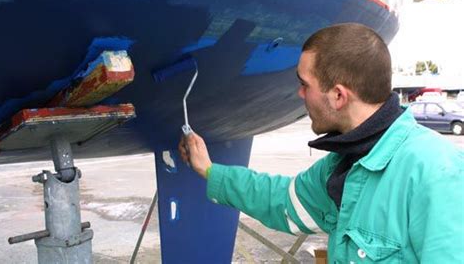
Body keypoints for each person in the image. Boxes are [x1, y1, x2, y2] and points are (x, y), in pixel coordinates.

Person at [178, 23, 464, 263]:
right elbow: (280, 200)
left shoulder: (436, 173)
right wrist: (210, 171)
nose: (300, 94)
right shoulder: (343, 165)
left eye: (305, 84)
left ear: (338, 96)